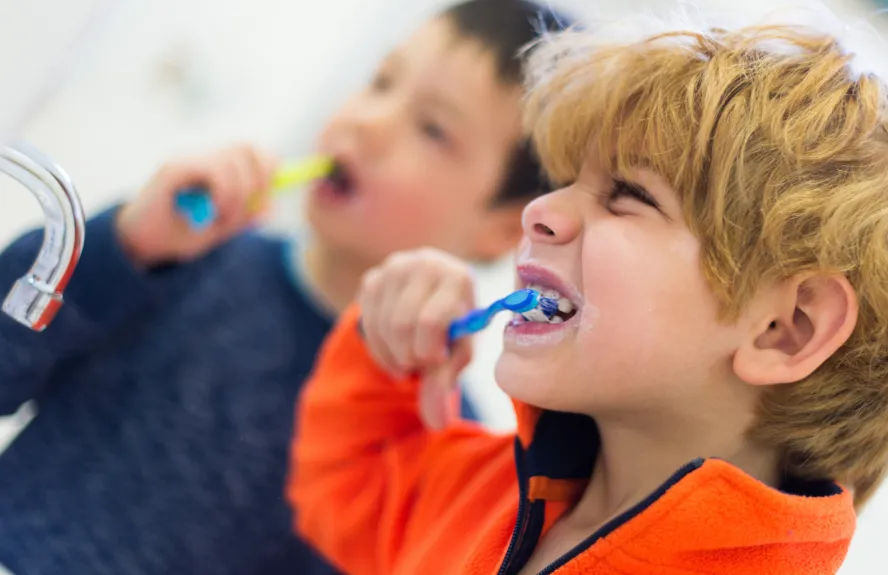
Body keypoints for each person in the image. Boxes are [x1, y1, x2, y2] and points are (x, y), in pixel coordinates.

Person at [287, 15, 888, 575]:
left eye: (627, 195)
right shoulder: (485, 489)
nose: (545, 210)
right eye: (567, 177)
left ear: (788, 327)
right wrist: (385, 355)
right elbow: (346, 486)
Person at [0, 1, 571, 573]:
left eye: (432, 129)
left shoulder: (429, 433)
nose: (369, 121)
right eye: (381, 81)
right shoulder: (182, 259)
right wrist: (122, 246)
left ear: (506, 227)